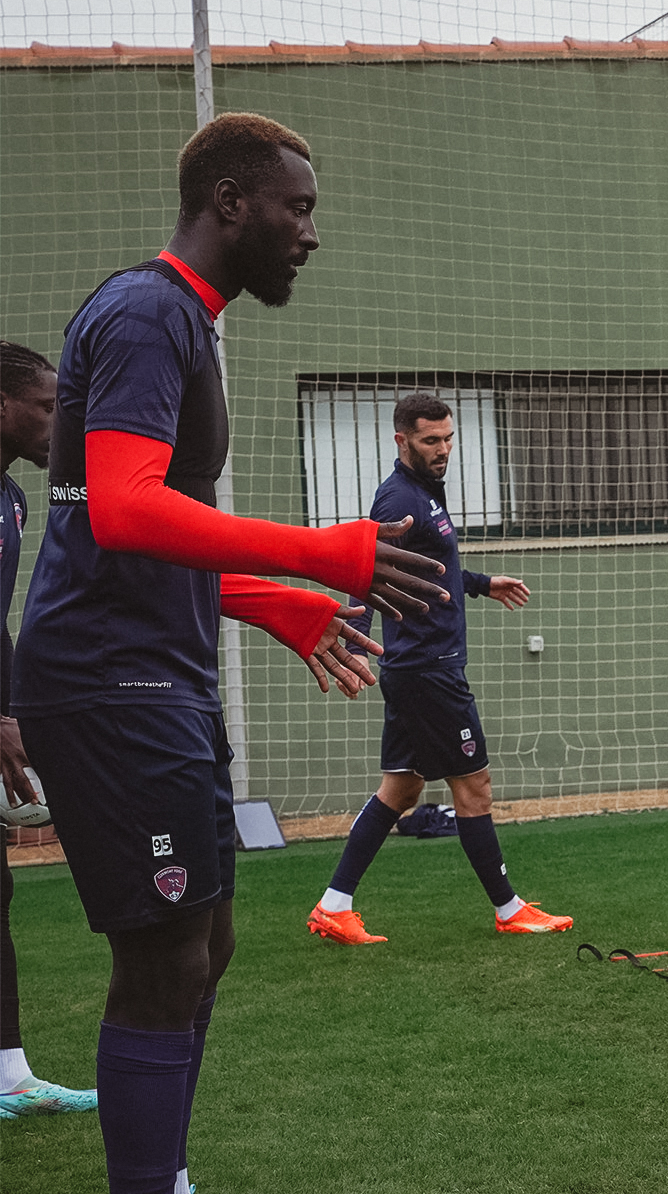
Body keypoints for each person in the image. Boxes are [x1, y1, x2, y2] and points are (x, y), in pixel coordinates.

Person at [11, 113, 448, 1194]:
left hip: (158, 670)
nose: (309, 232)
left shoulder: (181, 322)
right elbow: (119, 510)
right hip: (110, 683)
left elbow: (125, 524)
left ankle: (166, 1171)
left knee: (207, 946)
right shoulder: (149, 311)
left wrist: (268, 601)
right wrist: (323, 555)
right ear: (231, 204)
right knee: (162, 958)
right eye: (297, 208)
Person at [307, 393, 571, 943]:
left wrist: (480, 583)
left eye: (448, 438)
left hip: (421, 667)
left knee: (400, 791)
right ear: (402, 441)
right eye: (431, 441)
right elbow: (366, 567)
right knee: (474, 786)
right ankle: (508, 909)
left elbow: (436, 567)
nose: (443, 449)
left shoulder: (426, 492)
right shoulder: (398, 498)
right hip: (428, 669)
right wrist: (356, 644)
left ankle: (334, 906)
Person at [0, 341, 97, 1119]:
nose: (61, 420)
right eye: (47, 404)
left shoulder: (14, 499)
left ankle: (10, 1078)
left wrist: (16, 709)